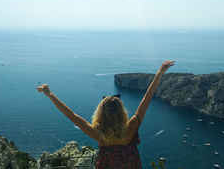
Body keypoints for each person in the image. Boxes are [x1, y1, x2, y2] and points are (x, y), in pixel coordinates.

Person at [36, 60, 175, 169]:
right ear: (121, 111)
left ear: (101, 113)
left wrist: (50, 94)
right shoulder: (131, 127)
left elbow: (71, 115)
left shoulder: (98, 134)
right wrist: (159, 73)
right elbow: (147, 98)